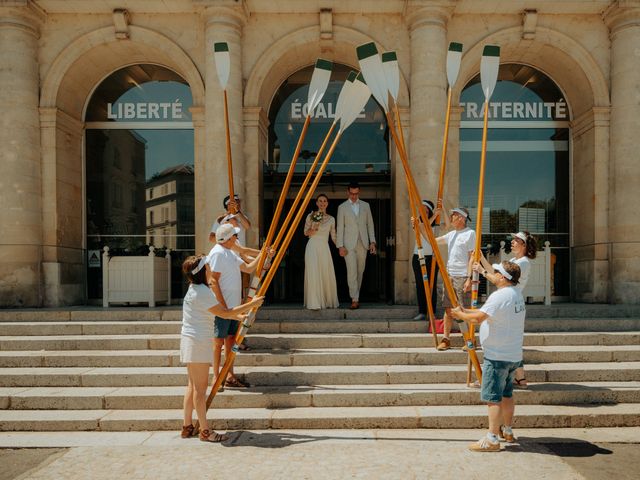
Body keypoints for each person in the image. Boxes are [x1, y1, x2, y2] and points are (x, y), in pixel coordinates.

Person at [179, 254, 264, 442]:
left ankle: (187, 426)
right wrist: (252, 304)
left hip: (190, 341)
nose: (211, 269)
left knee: (192, 387)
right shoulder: (202, 291)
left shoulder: (195, 288)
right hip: (198, 343)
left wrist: (241, 317)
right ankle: (205, 431)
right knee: (199, 391)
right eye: (208, 266)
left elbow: (222, 313)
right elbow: (224, 313)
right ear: (203, 271)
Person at [450, 261, 525, 452]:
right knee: (507, 394)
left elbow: (478, 319)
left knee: (493, 397)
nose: (492, 274)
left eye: (496, 272)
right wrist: (465, 312)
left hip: (498, 355)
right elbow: (487, 314)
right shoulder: (516, 294)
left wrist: (462, 315)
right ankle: (506, 430)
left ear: (502, 277)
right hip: (513, 354)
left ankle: (492, 438)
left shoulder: (499, 296)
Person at [207, 223, 272, 389]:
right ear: (228, 238)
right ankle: (215, 377)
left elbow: (249, 268)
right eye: (235, 236)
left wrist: (264, 253)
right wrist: (222, 306)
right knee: (218, 343)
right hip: (223, 308)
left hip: (234, 307)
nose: (237, 238)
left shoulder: (229, 252)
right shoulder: (218, 253)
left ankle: (229, 375)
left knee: (230, 341)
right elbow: (213, 280)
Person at [474, 231, 537, 389]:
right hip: (511, 301)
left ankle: (495, 377)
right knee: (512, 340)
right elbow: (497, 273)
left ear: (524, 245)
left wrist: (481, 271)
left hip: (510, 302)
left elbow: (497, 279)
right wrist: (481, 259)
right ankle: (520, 378)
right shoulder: (515, 260)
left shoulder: (523, 263)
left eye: (516, 240)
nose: (512, 242)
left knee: (505, 340)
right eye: (513, 239)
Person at [434, 207, 476, 351]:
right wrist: (420, 227)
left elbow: (472, 257)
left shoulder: (470, 234)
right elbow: (432, 240)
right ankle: (446, 339)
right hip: (449, 275)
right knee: (448, 310)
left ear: (461, 218)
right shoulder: (451, 234)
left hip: (462, 275)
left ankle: (469, 339)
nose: (451, 218)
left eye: (453, 215)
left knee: (463, 309)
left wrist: (469, 278)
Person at [336, 182, 376, 309]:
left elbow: (370, 225)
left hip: (363, 243)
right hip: (348, 245)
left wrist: (372, 242)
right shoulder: (342, 207)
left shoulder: (366, 206)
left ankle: (356, 295)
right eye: (352, 194)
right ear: (348, 192)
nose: (354, 196)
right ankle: (355, 298)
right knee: (351, 272)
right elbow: (340, 227)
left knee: (360, 271)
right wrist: (340, 246)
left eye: (356, 193)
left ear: (359, 192)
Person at [304, 194, 339, 310]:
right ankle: (314, 302)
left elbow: (333, 236)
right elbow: (306, 233)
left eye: (324, 201)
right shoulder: (311, 216)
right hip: (312, 246)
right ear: (317, 203)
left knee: (325, 273)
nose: (322, 203)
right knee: (313, 273)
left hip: (324, 247)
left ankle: (326, 301)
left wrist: (341, 247)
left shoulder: (332, 219)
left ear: (327, 203)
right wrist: (314, 227)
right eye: (320, 201)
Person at [410, 200, 439, 320]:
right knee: (421, 285)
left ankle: (432, 311)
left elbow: (447, 226)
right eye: (422, 210)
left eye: (427, 210)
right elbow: (424, 227)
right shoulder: (416, 221)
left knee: (432, 284)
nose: (424, 212)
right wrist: (435, 215)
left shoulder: (436, 224)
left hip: (432, 257)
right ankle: (422, 311)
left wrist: (440, 212)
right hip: (418, 257)